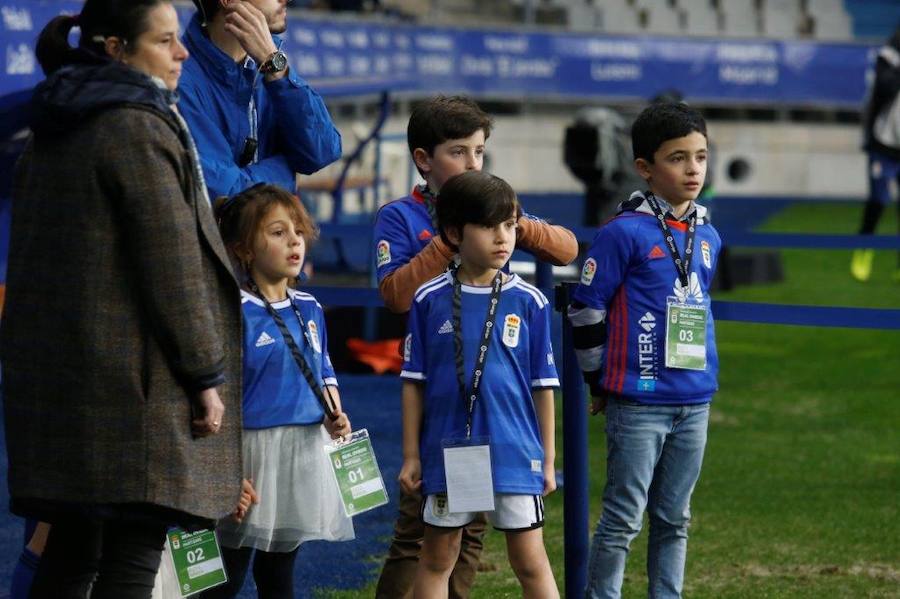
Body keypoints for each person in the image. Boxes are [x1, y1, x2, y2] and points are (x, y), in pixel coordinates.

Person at [0, 1, 243, 598]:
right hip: (133, 389)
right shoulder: (136, 124)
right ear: (116, 49)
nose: (182, 51)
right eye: (164, 41)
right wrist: (203, 374)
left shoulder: (55, 123)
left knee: (72, 553)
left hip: (67, 381)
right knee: (132, 555)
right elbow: (173, 266)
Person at [374, 95, 577, 598]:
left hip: (501, 417)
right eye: (459, 153)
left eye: (480, 152)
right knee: (418, 541)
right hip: (443, 405)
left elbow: (568, 247)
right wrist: (449, 239)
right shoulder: (400, 216)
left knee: (473, 543)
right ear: (424, 160)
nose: (472, 163)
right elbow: (397, 296)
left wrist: (504, 221)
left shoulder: (496, 210)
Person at [567, 102, 720, 599]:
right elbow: (586, 310)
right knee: (623, 519)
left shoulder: (708, 234)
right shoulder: (622, 233)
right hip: (638, 401)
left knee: (676, 518)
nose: (693, 168)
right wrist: (597, 380)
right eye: (678, 158)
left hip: (695, 399)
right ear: (645, 168)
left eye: (700, 156)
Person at [398, 171, 560, 599]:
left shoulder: (531, 301)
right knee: (437, 560)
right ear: (454, 232)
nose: (503, 237)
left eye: (509, 225)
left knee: (530, 562)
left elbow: (544, 386)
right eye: (489, 226)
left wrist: (547, 459)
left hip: (515, 453)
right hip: (449, 451)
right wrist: (412, 456)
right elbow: (413, 383)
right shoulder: (427, 298)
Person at [199, 183, 354, 598]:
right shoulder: (232, 310)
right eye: (277, 232)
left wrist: (334, 411)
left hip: (302, 450)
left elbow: (322, 367)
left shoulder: (311, 307)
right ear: (245, 249)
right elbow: (220, 392)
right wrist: (224, 468)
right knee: (223, 575)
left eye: (298, 232)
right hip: (249, 454)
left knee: (279, 570)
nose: (294, 242)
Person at [179, 0, 342, 200]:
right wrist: (286, 173)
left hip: (273, 228)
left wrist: (276, 68)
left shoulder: (270, 62)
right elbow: (223, 195)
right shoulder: (180, 80)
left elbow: (322, 152)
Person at [850, 23, 900, 283]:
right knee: (878, 202)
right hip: (883, 144)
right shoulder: (890, 54)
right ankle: (863, 250)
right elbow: (884, 85)